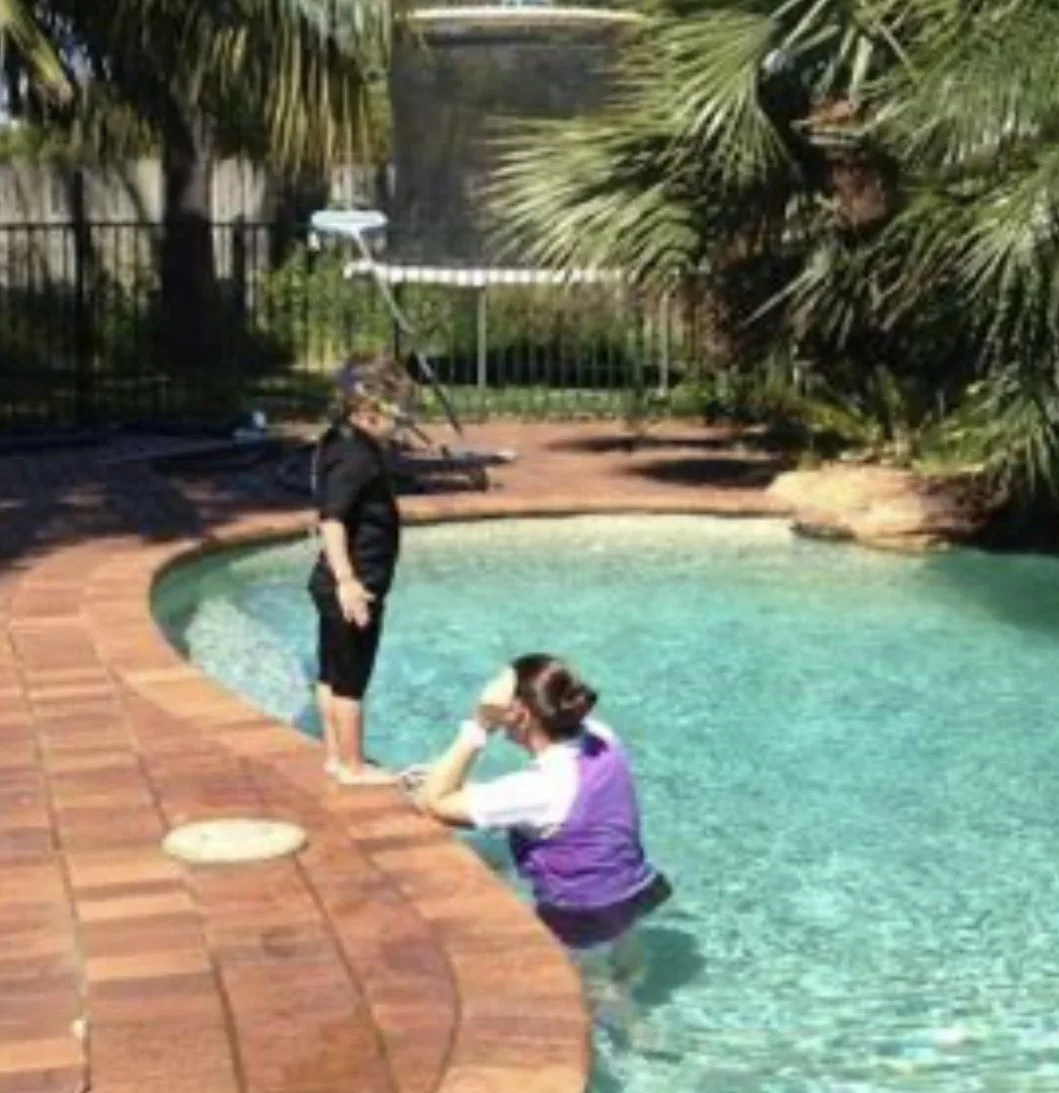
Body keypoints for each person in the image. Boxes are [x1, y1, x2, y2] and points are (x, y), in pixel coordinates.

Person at [415, 654, 671, 960]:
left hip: (581, 916)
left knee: (594, 988)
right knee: (621, 972)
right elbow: (539, 800)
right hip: (637, 889)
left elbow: (434, 803)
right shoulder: (601, 735)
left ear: (520, 714)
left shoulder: (539, 789)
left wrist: (480, 725)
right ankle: (626, 968)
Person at [308, 360, 402, 785]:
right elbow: (332, 518)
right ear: (368, 412)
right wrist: (348, 580)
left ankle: (333, 756)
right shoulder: (358, 458)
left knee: (331, 671)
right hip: (354, 587)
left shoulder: (336, 441)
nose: (400, 425)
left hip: (331, 581)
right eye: (397, 416)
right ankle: (352, 766)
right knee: (351, 679)